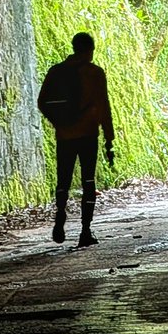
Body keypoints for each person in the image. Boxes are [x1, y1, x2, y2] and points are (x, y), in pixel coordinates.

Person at [37, 31, 115, 247]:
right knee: (88, 181)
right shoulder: (95, 73)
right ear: (90, 50)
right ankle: (85, 230)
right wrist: (109, 138)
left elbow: (42, 102)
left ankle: (60, 215)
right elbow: (103, 107)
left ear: (73, 48)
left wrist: (59, 122)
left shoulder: (56, 72)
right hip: (88, 135)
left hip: (64, 136)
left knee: (63, 179)